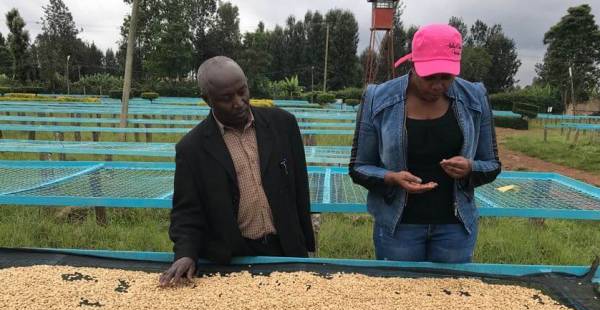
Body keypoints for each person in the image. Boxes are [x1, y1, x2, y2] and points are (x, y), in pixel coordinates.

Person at [349, 24, 501, 263]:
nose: (438, 85)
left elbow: (492, 164)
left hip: (455, 229)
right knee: (399, 296)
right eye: (430, 77)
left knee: (451, 298)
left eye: (447, 77)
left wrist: (470, 168)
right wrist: (391, 178)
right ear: (414, 66)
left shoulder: (475, 97)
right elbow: (359, 166)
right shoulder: (377, 98)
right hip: (398, 228)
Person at [160, 56, 315, 286]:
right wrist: (185, 253)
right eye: (226, 98)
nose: (239, 102)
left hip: (285, 247)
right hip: (233, 256)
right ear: (207, 100)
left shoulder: (283, 125)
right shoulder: (192, 149)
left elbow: (300, 190)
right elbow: (186, 211)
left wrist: (306, 247)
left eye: (242, 91)